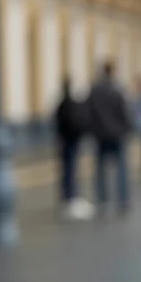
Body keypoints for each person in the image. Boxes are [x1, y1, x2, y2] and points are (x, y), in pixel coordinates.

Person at [85, 61, 133, 215]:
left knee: (100, 170)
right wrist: (126, 129)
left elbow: (89, 112)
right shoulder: (118, 90)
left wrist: (95, 130)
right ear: (113, 72)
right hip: (117, 135)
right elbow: (125, 112)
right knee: (121, 170)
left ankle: (103, 201)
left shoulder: (95, 90)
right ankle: (123, 201)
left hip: (100, 135)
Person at [54, 77, 93, 220]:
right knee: (71, 169)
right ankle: (71, 197)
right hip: (72, 141)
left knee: (67, 169)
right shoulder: (72, 104)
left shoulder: (62, 103)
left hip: (66, 140)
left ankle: (68, 196)